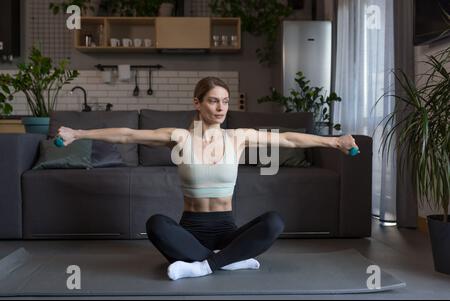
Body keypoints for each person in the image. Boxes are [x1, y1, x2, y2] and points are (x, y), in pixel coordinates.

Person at [57, 76, 359, 281]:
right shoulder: (180, 137)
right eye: (213, 101)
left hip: (228, 230)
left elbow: (290, 141)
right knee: (156, 224)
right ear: (197, 103)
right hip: (190, 233)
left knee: (274, 221)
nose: (221, 108)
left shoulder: (238, 137)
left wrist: (333, 142)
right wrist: (78, 133)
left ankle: (205, 266)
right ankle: (231, 261)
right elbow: (127, 134)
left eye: (225, 101)